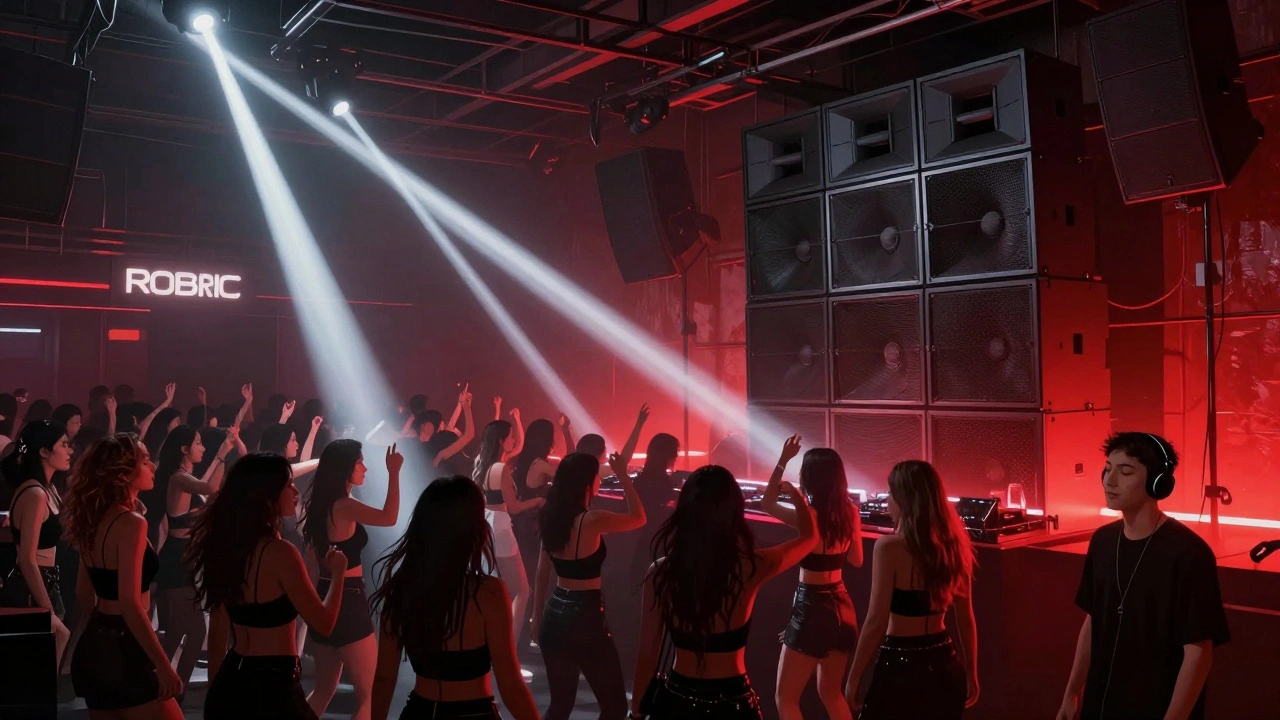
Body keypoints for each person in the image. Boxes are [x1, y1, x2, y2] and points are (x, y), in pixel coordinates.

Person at [1056, 433, 1229, 720]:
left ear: (1157, 483)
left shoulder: (1188, 553)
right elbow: (1093, 622)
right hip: (1101, 704)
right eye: (1108, 468)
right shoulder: (1102, 541)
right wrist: (1071, 692)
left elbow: (1198, 650)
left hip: (1156, 705)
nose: (1110, 480)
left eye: (1125, 472)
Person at [632, 456, 818, 720]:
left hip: (677, 700)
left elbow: (648, 652)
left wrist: (636, 710)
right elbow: (810, 537)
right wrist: (797, 496)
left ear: (685, 511)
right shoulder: (750, 568)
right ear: (734, 513)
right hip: (732, 702)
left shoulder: (661, 573)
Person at [189, 453, 347, 720]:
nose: (296, 490)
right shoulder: (280, 553)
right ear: (265, 495)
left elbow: (218, 631)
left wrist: (216, 694)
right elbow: (324, 623)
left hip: (233, 678)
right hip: (274, 687)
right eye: (287, 485)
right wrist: (339, 573)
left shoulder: (227, 547)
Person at [370, 476, 540, 720]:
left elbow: (385, 677)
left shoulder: (402, 590)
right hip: (474, 713)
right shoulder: (488, 593)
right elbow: (511, 687)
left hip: (421, 712)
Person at [845, 460, 978, 720]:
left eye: (890, 494)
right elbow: (966, 618)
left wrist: (854, 675)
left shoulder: (889, 548)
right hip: (945, 664)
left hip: (901, 666)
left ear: (905, 499)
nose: (887, 503)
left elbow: (875, 621)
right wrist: (971, 672)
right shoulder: (954, 546)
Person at [63, 434, 183, 718]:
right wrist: (164, 666)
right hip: (126, 646)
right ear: (123, 472)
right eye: (144, 461)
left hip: (95, 643)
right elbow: (129, 602)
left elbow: (83, 592)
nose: (153, 466)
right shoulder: (132, 523)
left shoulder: (93, 517)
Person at [533, 449, 644, 720]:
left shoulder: (551, 517)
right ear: (587, 483)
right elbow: (639, 517)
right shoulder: (592, 520)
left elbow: (541, 572)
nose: (600, 481)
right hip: (586, 616)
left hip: (555, 611)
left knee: (560, 704)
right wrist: (623, 476)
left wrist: (537, 618)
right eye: (597, 476)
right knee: (615, 705)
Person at [760, 440, 862, 720]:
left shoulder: (809, 515)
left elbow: (766, 502)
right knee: (832, 694)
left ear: (808, 477)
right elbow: (857, 560)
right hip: (844, 607)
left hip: (813, 606)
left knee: (786, 699)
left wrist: (782, 460)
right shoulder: (851, 512)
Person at [302, 440, 404, 720]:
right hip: (347, 598)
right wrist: (394, 473)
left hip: (325, 594)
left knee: (323, 690)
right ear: (345, 468)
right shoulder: (344, 505)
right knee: (368, 695)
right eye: (360, 462)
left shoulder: (324, 504)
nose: (365, 467)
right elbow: (389, 517)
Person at [153, 424, 238, 698]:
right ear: (184, 449)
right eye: (199, 443)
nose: (203, 447)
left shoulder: (184, 476)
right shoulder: (178, 478)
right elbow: (210, 486)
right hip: (176, 559)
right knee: (195, 630)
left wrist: (222, 454)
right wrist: (223, 453)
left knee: (181, 630)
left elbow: (207, 486)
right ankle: (170, 689)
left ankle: (167, 689)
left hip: (185, 556)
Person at [1, 420, 73, 668]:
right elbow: (27, 559)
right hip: (31, 588)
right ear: (44, 451)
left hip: (47, 581)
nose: (69, 450)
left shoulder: (48, 489)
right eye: (64, 445)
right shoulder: (35, 493)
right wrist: (48, 611)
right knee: (33, 674)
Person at [473, 421, 544, 630]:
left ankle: (494, 641)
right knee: (522, 590)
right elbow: (513, 507)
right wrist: (538, 501)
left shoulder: (481, 462)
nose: (513, 440)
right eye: (510, 437)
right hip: (500, 527)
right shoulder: (500, 468)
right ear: (502, 441)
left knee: (495, 588)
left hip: (485, 523)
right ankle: (509, 646)